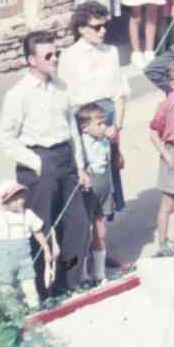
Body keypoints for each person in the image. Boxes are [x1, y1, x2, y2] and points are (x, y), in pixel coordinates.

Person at [0, 31, 92, 296]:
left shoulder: (61, 86)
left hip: (65, 159)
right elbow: (6, 139)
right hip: (38, 162)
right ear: (31, 60)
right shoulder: (18, 94)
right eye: (48, 56)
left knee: (77, 224)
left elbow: (72, 127)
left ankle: (67, 282)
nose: (55, 59)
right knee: (39, 227)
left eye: (56, 54)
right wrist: (36, 162)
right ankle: (38, 290)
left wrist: (81, 166)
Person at [59, 2, 129, 271]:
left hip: (108, 124)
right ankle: (86, 253)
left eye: (105, 26)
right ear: (81, 28)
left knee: (107, 186)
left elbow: (120, 93)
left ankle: (101, 248)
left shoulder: (111, 52)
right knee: (88, 184)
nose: (103, 31)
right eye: (97, 27)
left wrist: (117, 129)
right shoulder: (69, 57)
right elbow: (69, 102)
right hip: (85, 125)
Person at [0, 180, 55, 308]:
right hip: (6, 259)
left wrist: (46, 249)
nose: (20, 201)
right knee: (6, 284)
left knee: (29, 282)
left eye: (21, 197)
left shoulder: (28, 215)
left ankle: (34, 305)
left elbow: (37, 232)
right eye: (14, 199)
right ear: (5, 203)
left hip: (25, 258)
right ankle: (12, 310)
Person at [76, 104, 113, 285]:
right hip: (89, 189)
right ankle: (82, 274)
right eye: (99, 124)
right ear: (85, 127)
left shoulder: (104, 140)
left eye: (104, 123)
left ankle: (99, 273)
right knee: (85, 233)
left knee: (101, 231)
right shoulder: (81, 145)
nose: (103, 127)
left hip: (104, 185)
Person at [148, 62, 174, 257]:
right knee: (167, 203)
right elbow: (153, 132)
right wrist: (166, 154)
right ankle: (162, 242)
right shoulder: (167, 105)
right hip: (173, 151)